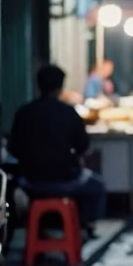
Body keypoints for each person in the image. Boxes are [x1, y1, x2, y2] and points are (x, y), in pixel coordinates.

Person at [9, 64, 107, 237]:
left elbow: (13, 148)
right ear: (61, 87)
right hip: (66, 178)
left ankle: (43, 228)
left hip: (30, 179)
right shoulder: (69, 113)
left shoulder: (24, 112)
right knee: (97, 185)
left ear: (38, 85)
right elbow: (83, 147)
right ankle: (85, 226)